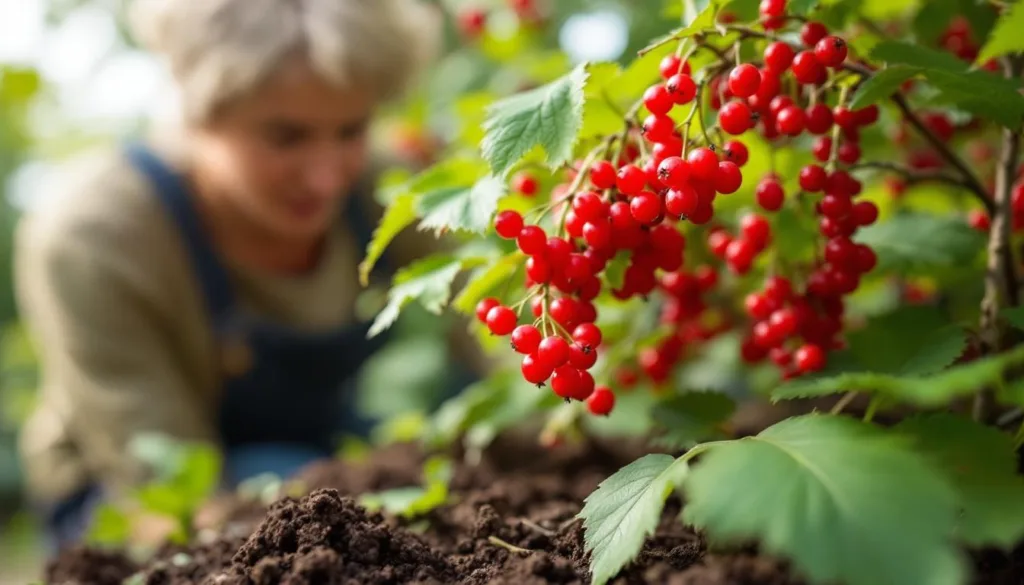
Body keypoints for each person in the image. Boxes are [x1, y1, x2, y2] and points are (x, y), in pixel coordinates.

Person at [13, 0, 484, 550]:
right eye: (286, 137)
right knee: (289, 480)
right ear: (200, 112)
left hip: (317, 457)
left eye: (351, 129)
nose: (327, 175)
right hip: (122, 487)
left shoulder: (385, 194)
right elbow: (166, 489)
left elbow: (483, 341)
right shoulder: (94, 239)